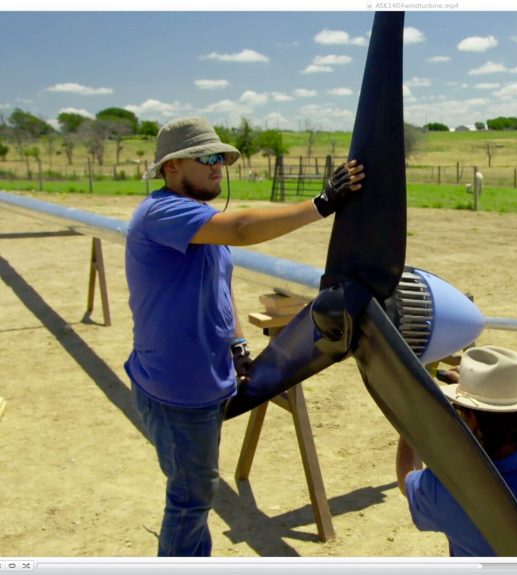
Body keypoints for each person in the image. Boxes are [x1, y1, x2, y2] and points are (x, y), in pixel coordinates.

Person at [124, 116, 364, 556]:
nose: (219, 166)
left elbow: (218, 289)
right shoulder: (162, 213)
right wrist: (322, 203)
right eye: (208, 158)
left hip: (201, 381)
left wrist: (236, 343)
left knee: (193, 491)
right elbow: (242, 229)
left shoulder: (199, 222)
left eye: (222, 158)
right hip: (179, 391)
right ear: (172, 167)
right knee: (190, 500)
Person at [396, 345, 517, 556]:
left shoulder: (446, 491)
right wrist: (503, 396)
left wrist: (412, 413)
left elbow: (406, 476)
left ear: (472, 422)